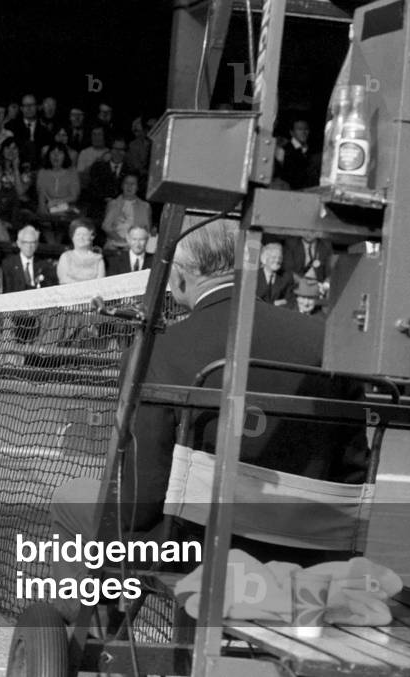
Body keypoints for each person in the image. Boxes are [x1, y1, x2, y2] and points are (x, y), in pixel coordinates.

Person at [48, 218, 368, 625]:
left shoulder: (158, 351)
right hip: (310, 551)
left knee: (71, 495)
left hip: (190, 548)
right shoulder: (328, 341)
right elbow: (353, 470)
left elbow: (140, 499)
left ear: (179, 277)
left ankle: (82, 630)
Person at [101, 172, 151, 251]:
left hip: (135, 244)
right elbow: (106, 226)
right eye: (126, 183)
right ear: (122, 185)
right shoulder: (113, 203)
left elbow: (146, 229)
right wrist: (121, 241)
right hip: (114, 243)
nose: (129, 186)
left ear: (138, 187)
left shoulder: (145, 206)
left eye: (133, 184)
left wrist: (131, 242)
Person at [1, 225, 56, 293]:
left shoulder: (44, 265)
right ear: (19, 243)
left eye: (32, 243)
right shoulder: (9, 264)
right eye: (25, 242)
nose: (29, 246)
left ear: (36, 245)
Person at [56, 218, 105, 284]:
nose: (81, 238)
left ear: (91, 237)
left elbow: (101, 281)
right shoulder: (66, 257)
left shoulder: (98, 259)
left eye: (84, 235)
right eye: (78, 234)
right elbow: (63, 279)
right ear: (73, 237)